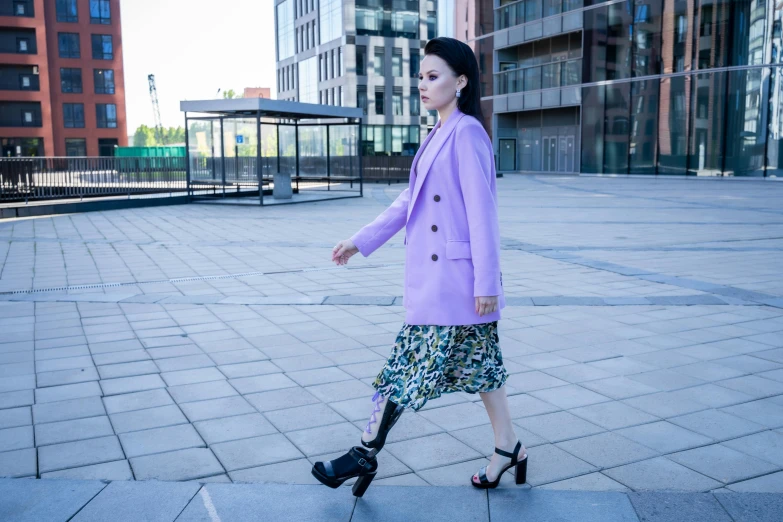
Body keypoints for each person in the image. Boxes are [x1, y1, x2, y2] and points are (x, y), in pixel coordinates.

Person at [311, 37, 527, 497]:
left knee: (402, 368)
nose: (423, 86)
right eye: (421, 78)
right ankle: (509, 446)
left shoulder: (467, 133)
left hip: (458, 284)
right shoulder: (437, 134)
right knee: (484, 369)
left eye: (433, 77)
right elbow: (408, 201)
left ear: (461, 81)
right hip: (446, 283)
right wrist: (360, 240)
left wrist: (486, 282)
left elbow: (483, 213)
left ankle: (364, 452)